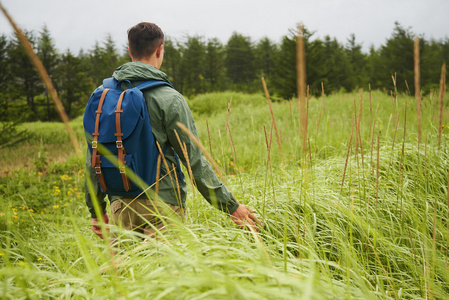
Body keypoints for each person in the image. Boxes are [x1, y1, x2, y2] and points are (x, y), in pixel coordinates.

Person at [85, 22, 262, 240]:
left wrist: (96, 211)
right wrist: (231, 207)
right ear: (159, 50)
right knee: (165, 274)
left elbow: (93, 158)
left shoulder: (102, 96)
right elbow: (193, 161)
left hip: (120, 206)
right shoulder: (169, 98)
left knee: (127, 273)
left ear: (130, 50)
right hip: (164, 206)